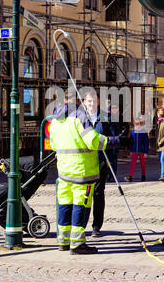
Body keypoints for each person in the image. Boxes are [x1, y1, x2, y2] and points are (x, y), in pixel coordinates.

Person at [49, 90, 120, 255]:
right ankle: (78, 243)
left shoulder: (55, 120)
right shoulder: (80, 117)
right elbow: (94, 141)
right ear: (78, 100)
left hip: (64, 170)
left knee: (65, 205)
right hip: (82, 171)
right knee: (81, 205)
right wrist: (116, 141)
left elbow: (53, 145)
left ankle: (63, 241)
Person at [83, 91, 119, 238]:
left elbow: (113, 140)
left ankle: (96, 226)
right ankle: (80, 225)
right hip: (83, 162)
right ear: (84, 102)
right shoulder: (79, 117)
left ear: (98, 102)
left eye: (94, 101)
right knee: (83, 196)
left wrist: (111, 162)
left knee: (98, 194)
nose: (91, 104)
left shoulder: (106, 117)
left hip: (100, 161)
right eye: (89, 101)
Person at [124, 115, 149, 182]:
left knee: (143, 164)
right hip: (134, 150)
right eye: (136, 123)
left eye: (138, 123)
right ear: (134, 124)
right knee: (132, 164)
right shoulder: (132, 132)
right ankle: (130, 176)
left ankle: (143, 176)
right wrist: (130, 150)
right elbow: (131, 142)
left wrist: (146, 152)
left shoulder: (143, 132)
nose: (137, 125)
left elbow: (146, 142)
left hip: (142, 151)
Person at [156, 107, 164, 182]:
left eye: (158, 114)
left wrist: (161, 141)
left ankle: (163, 176)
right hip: (159, 145)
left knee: (163, 159)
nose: (157, 115)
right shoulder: (159, 122)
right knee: (161, 160)